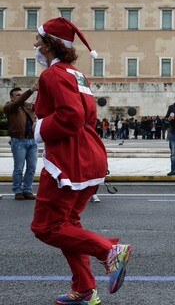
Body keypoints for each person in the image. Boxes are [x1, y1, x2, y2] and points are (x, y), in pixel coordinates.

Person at [29, 17, 131, 304]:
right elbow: (89, 117)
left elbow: (70, 117)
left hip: (67, 160)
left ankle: (108, 250)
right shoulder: (76, 74)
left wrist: (39, 129)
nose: (35, 45)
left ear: (49, 45)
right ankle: (85, 289)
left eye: (38, 40)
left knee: (46, 228)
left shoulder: (52, 75)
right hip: (88, 155)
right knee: (68, 224)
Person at [5, 84, 39, 200]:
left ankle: (27, 190)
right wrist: (30, 90)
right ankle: (17, 191)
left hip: (32, 140)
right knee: (19, 168)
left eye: (21, 94)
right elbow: (17, 103)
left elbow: (40, 106)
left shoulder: (27, 106)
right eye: (17, 95)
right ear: (12, 98)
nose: (20, 97)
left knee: (31, 168)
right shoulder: (10, 107)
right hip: (19, 140)